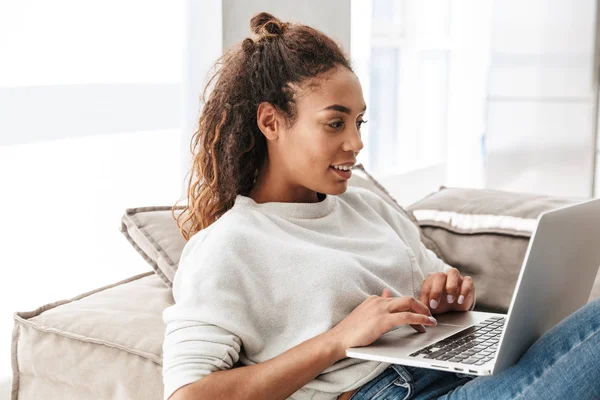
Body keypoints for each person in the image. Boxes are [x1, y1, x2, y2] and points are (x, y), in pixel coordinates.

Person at [162, 12, 600, 400]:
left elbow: (435, 288)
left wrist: (447, 297)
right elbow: (190, 395)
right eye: (335, 123)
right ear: (271, 122)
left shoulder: (366, 207)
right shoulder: (228, 246)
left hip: (452, 369)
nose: (355, 143)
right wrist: (338, 340)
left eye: (358, 122)